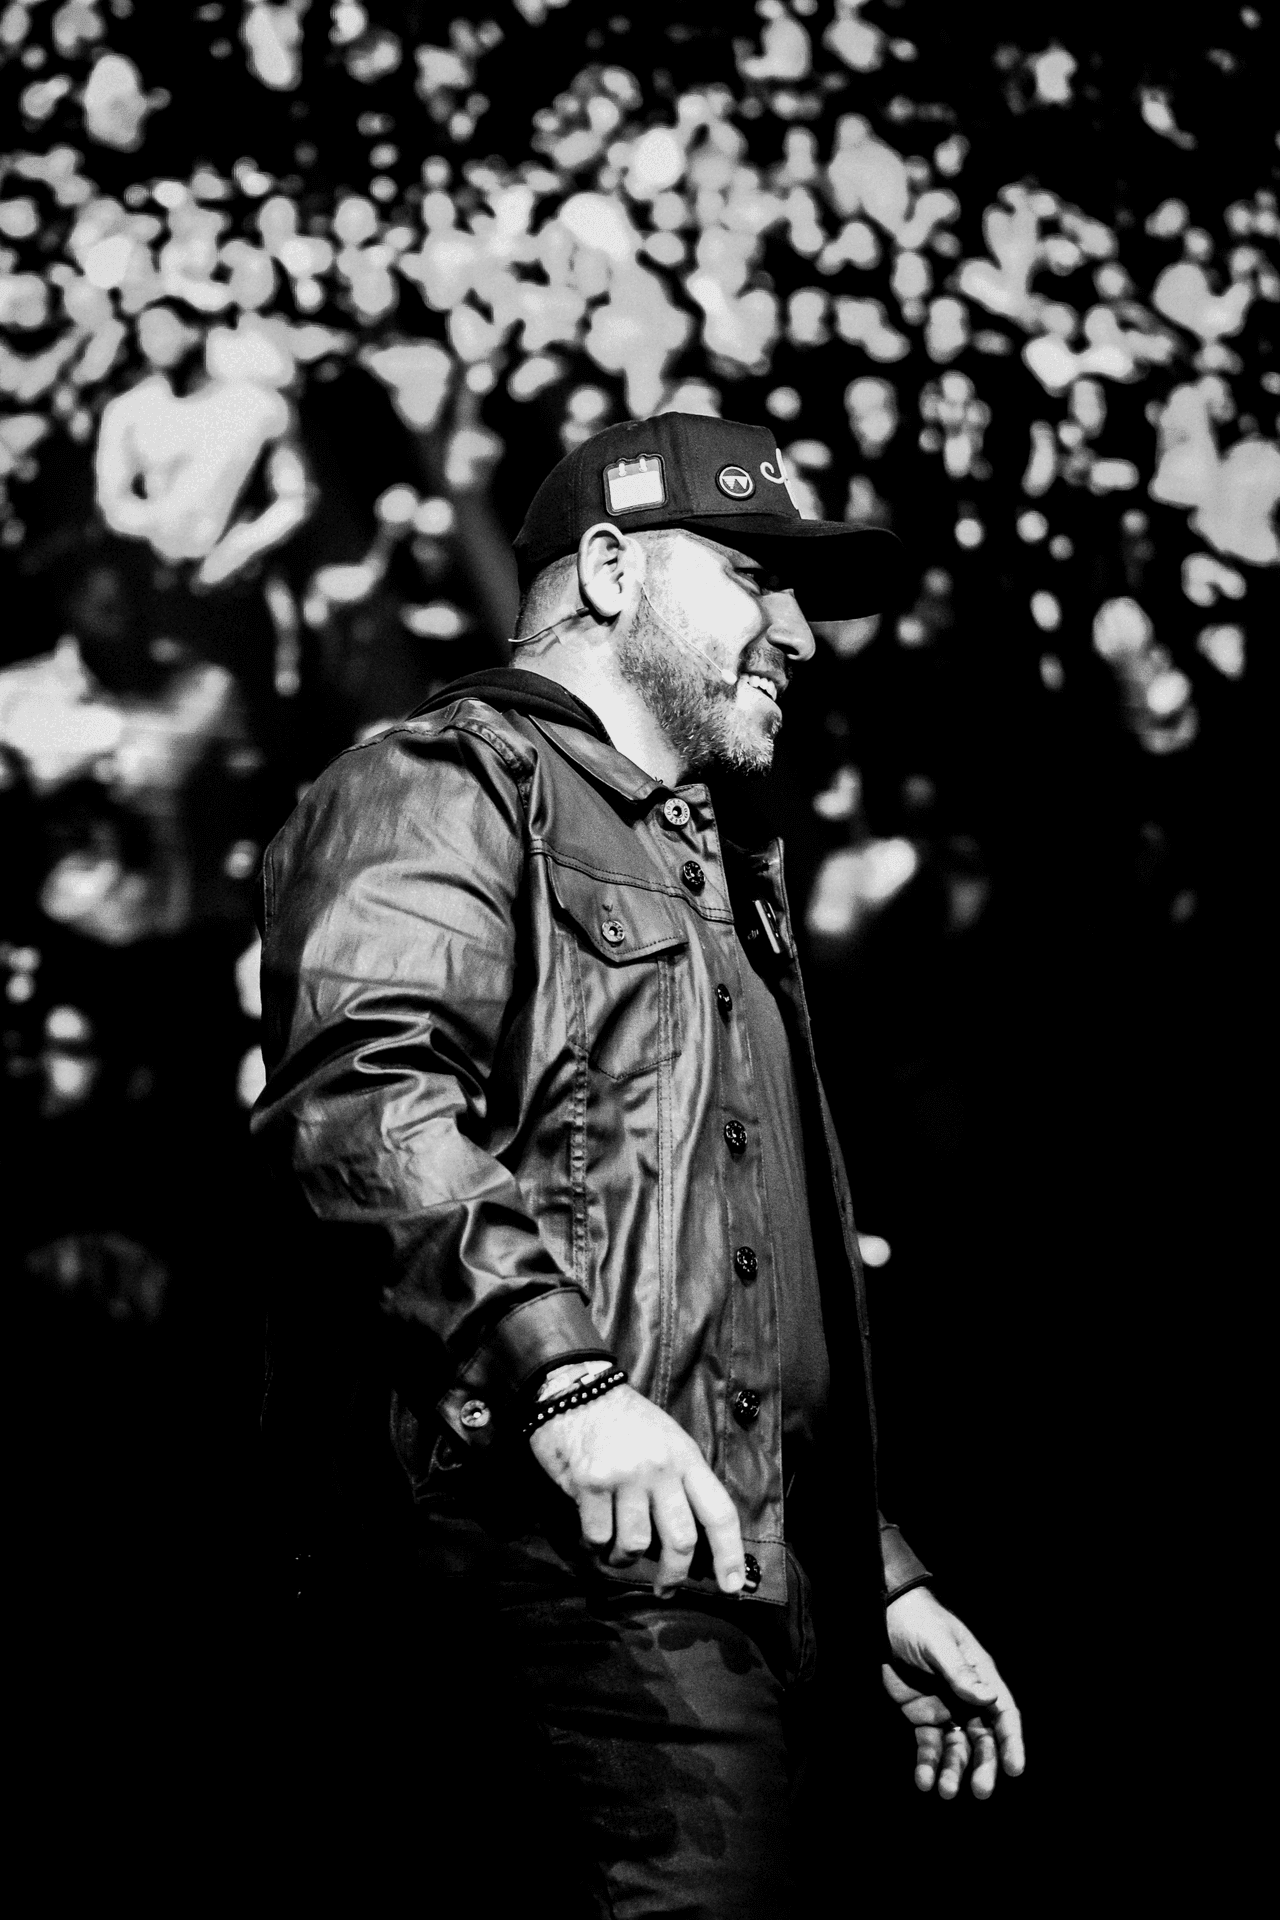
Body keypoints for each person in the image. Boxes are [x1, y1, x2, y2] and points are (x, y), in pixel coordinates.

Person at [252, 413, 1024, 1914]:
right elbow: (364, 1100)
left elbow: (725, 1265)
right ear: (607, 569)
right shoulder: (443, 784)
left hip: (746, 1596)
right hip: (564, 1592)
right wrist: (563, 1379)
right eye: (756, 579)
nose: (798, 634)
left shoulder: (721, 863)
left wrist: (870, 1570)